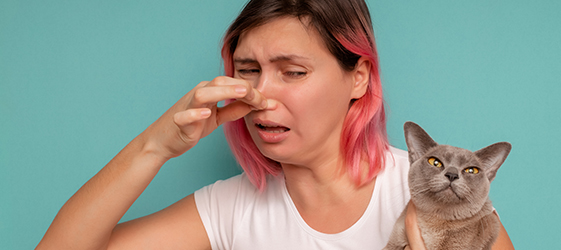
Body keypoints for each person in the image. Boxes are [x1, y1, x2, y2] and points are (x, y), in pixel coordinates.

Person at [37, 0, 514, 249]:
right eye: (248, 70)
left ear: (359, 77)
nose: (261, 93)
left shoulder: (436, 200)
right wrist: (153, 147)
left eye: (293, 71)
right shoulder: (228, 209)